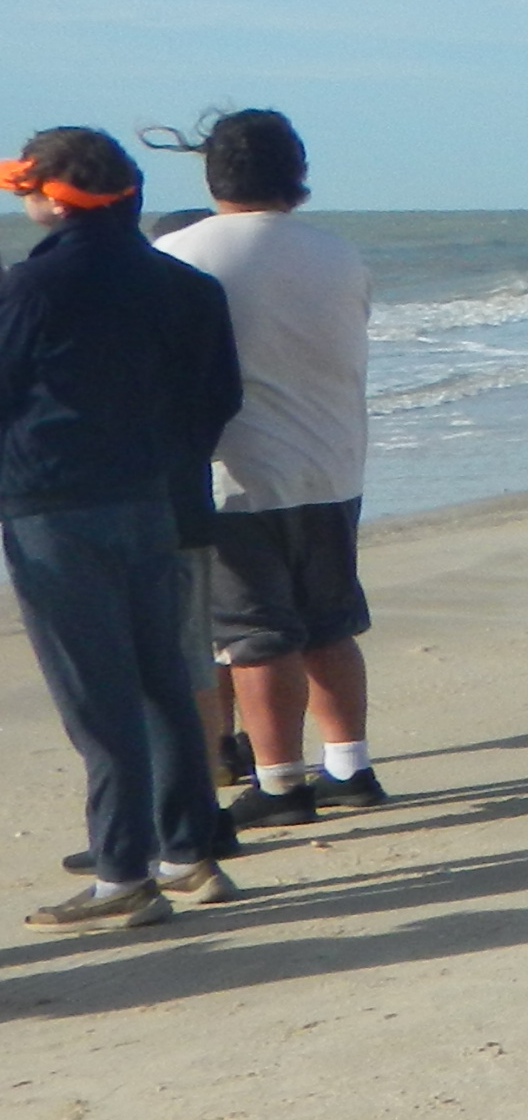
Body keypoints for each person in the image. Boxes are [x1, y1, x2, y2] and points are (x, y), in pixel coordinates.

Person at [0, 129, 242, 926]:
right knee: (161, 680)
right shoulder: (185, 285)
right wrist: (167, 458)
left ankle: (122, 872)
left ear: (51, 197)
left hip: (54, 504)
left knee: (97, 696)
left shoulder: (33, 287)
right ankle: (187, 850)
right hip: (153, 497)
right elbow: (219, 396)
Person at [161, 110, 385, 827]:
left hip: (239, 469)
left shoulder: (180, 252)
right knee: (329, 624)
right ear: (297, 175)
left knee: (253, 637)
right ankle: (349, 764)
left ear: (212, 175)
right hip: (333, 460)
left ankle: (281, 780)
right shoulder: (338, 254)